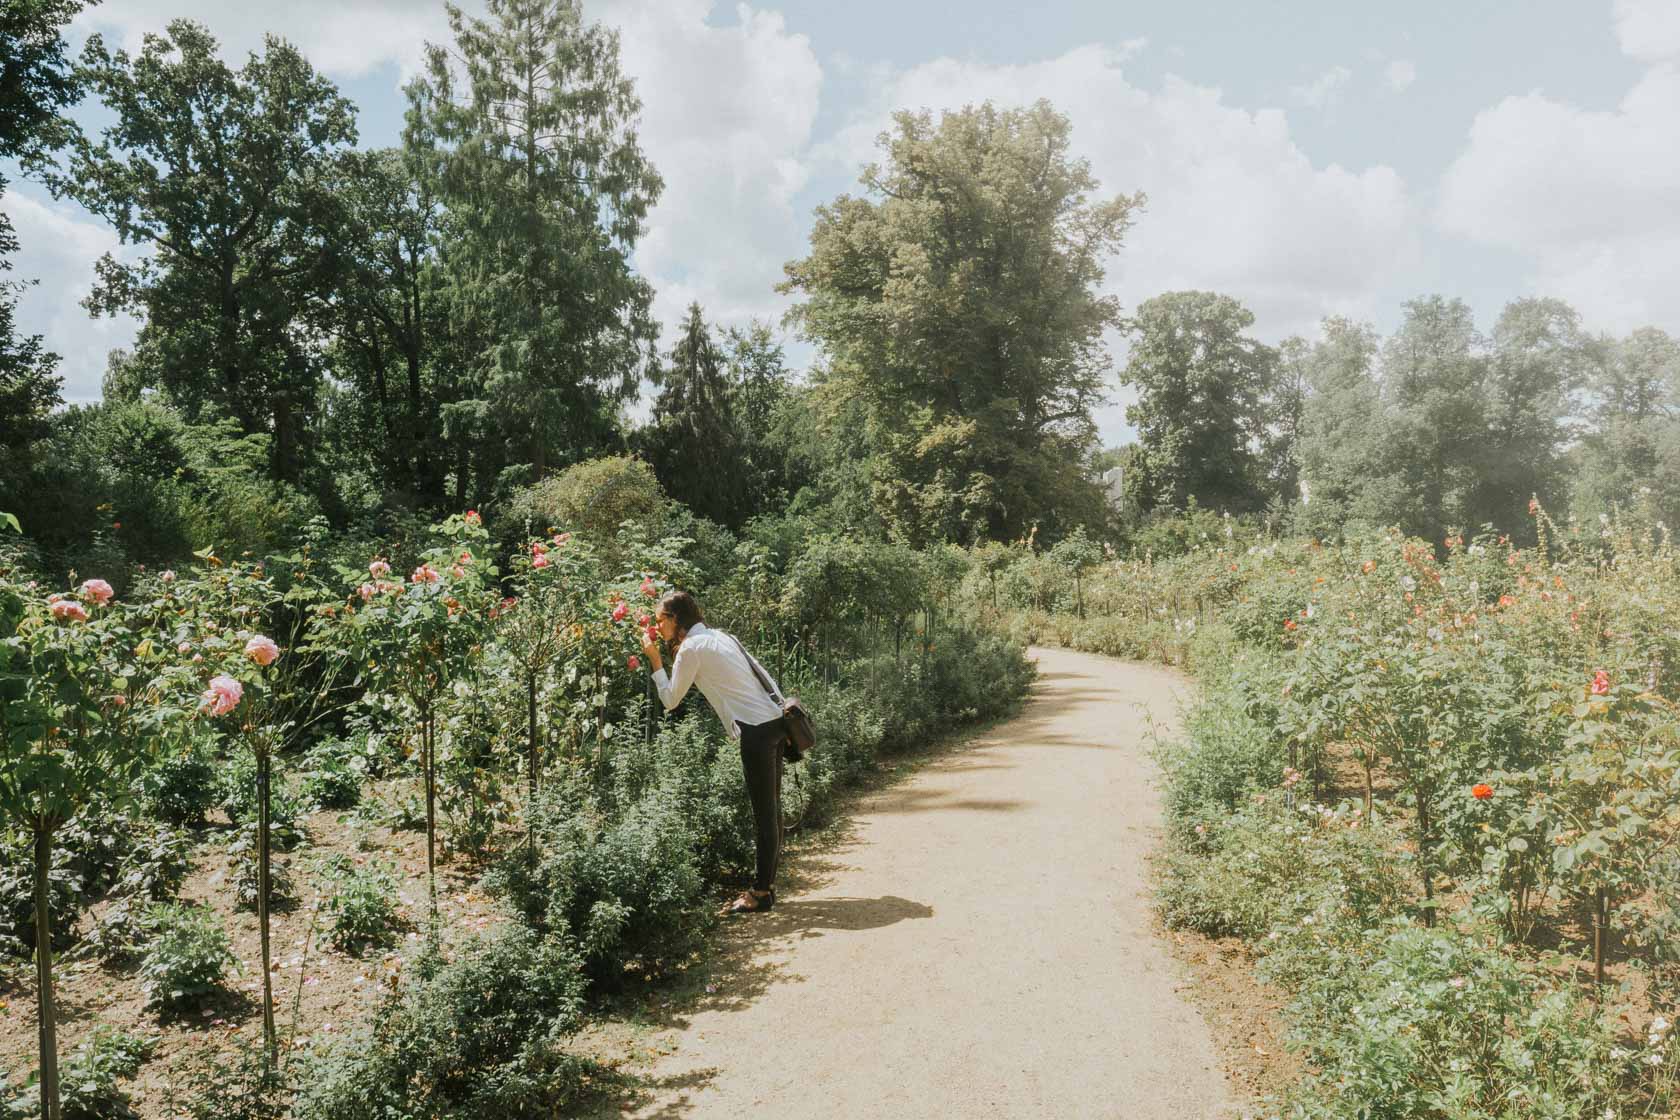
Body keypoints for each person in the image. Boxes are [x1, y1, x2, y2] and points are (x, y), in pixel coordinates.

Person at [640, 590, 789, 915]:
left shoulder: (692, 647)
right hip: (776, 721)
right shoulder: (721, 636)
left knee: (764, 814)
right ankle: (768, 884)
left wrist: (655, 660)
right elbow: (761, 674)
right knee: (772, 808)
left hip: (757, 731)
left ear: (676, 619)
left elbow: (670, 700)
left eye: (660, 619)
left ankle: (761, 892)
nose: (657, 626)